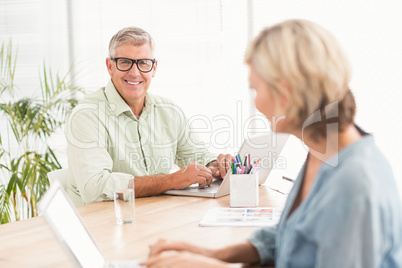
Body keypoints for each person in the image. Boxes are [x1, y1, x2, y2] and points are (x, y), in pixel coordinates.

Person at [143, 19, 402, 268]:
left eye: (256, 89)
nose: (256, 103)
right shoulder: (324, 151)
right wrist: (212, 254)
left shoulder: (355, 185)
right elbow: (293, 237)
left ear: (285, 94)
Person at [65, 26, 226, 206]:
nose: (134, 72)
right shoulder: (86, 115)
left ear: (154, 68)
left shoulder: (169, 111)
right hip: (104, 223)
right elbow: (94, 188)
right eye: (125, 62)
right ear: (110, 67)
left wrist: (216, 166)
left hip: (154, 215)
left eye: (143, 63)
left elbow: (195, 154)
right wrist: (171, 181)